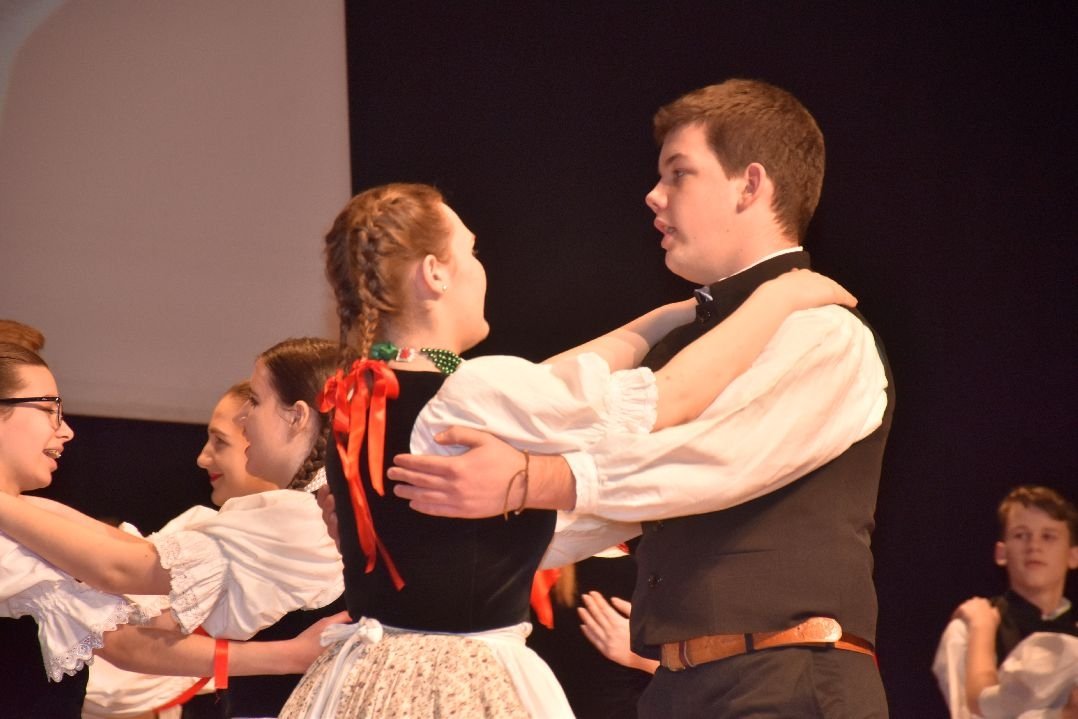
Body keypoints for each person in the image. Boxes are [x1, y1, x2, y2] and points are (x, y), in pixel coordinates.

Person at [389, 78, 894, 717]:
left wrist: (531, 480)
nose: (654, 195)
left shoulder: (821, 328)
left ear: (750, 185)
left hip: (788, 679)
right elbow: (613, 501)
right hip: (679, 686)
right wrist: (413, 521)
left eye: (679, 174)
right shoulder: (684, 339)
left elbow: (711, 462)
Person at [279, 181, 859, 717]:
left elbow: (549, 381)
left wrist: (678, 314)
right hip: (457, 678)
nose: (481, 269)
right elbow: (669, 397)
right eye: (472, 252)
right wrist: (776, 298)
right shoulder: (468, 393)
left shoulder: (365, 396)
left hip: (370, 674)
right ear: (434, 273)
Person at [0, 339, 347, 709]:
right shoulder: (302, 508)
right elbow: (125, 607)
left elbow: (124, 572)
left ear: (297, 416)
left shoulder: (300, 514)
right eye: (47, 408)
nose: (244, 418)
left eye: (255, 402)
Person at [83, 377, 348, 719]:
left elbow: (121, 589)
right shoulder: (211, 535)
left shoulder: (307, 524)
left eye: (221, 441)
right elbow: (125, 629)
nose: (203, 457)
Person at [933, 486, 1078, 718]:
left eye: (1048, 536)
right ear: (1001, 553)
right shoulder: (970, 629)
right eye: (1021, 535)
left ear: (1073, 555)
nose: (1034, 546)